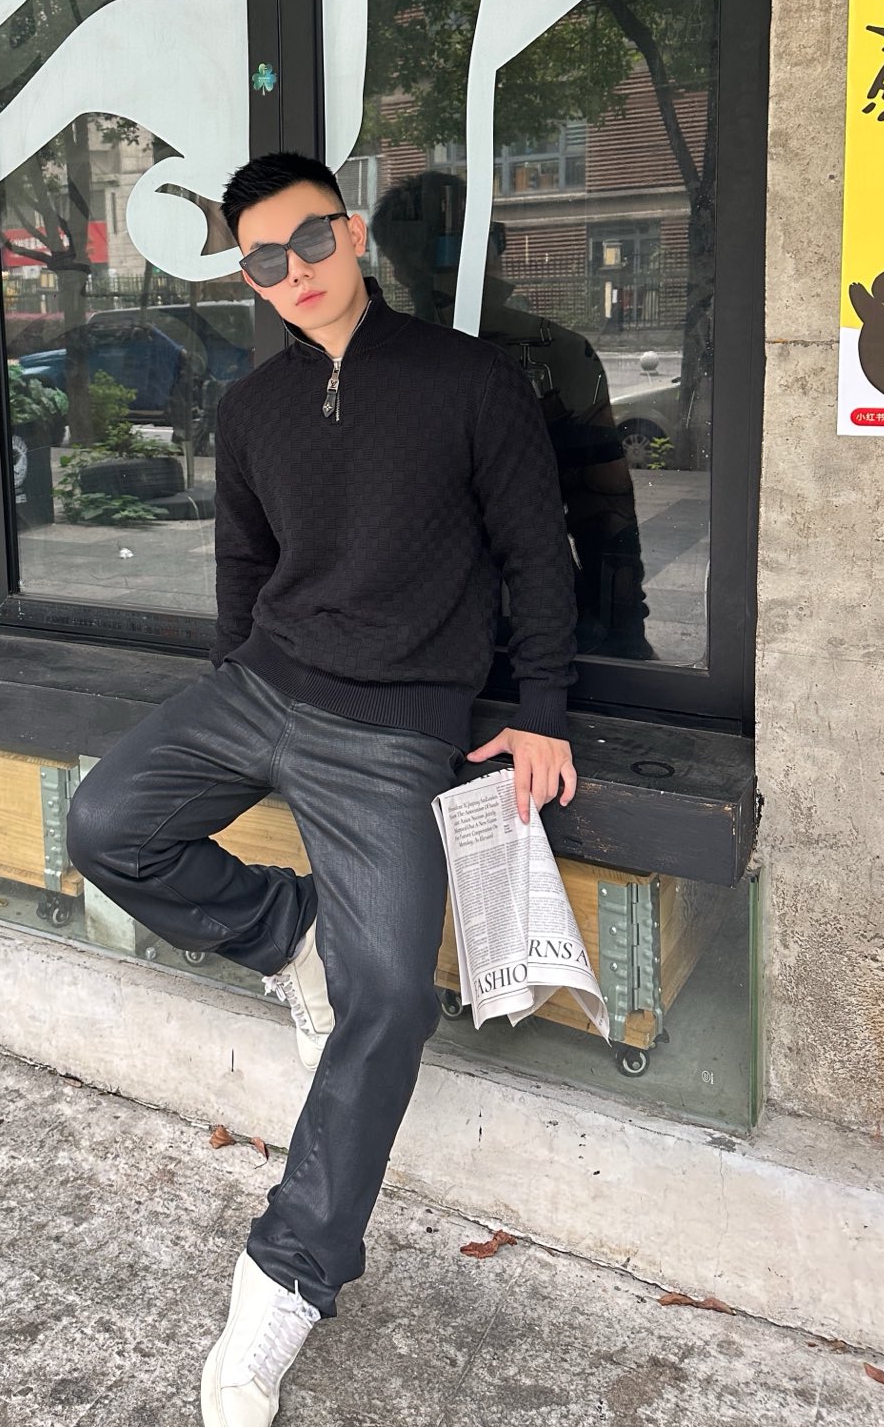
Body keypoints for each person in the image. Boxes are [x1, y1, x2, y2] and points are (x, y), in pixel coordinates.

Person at [66, 152, 578, 1425]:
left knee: (392, 995)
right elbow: (244, 574)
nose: (290, 273)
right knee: (107, 824)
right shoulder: (252, 410)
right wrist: (233, 695)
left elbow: (537, 554)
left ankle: (287, 1280)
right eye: (261, 260)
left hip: (397, 725)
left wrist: (541, 712)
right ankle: (293, 934)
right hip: (264, 688)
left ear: (349, 235)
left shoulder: (468, 380)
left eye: (306, 243)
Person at [369, 169, 653, 659]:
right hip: (527, 623)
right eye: (492, 235)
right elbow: (605, 511)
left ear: (394, 267)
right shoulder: (558, 352)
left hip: (409, 633)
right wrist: (625, 632)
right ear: (485, 247)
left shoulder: (368, 363)